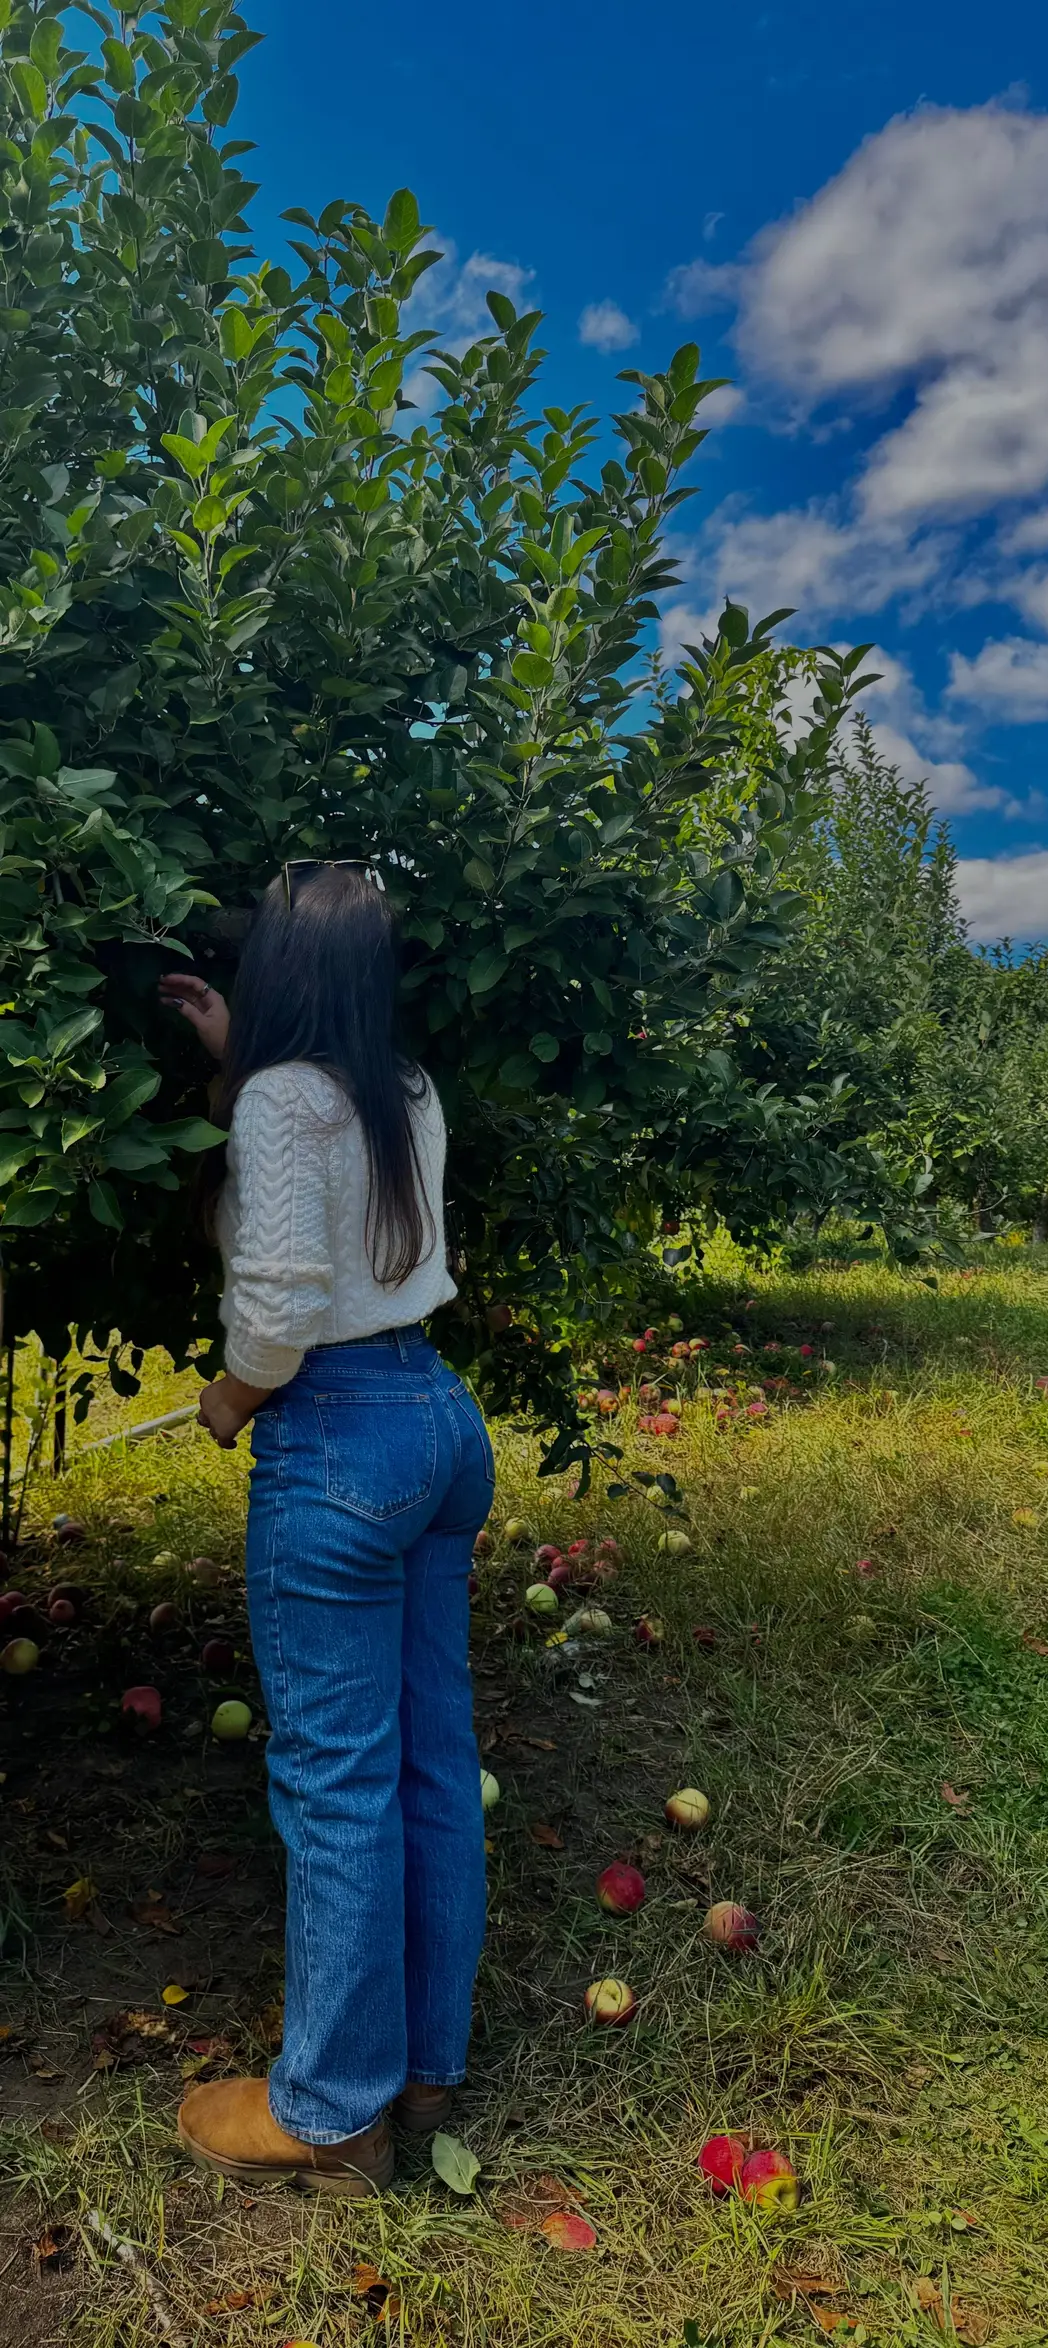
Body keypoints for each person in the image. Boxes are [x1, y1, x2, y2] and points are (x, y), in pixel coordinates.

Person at [157, 863, 493, 2197]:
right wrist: (244, 1067)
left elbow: (287, 1297)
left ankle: (329, 2107)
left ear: (282, 975)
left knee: (334, 1783)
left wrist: (232, 1399)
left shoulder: (286, 1108)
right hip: (434, 1413)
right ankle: (422, 2069)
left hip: (337, 1436)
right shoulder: (403, 1090)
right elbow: (340, 1192)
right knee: (428, 1760)